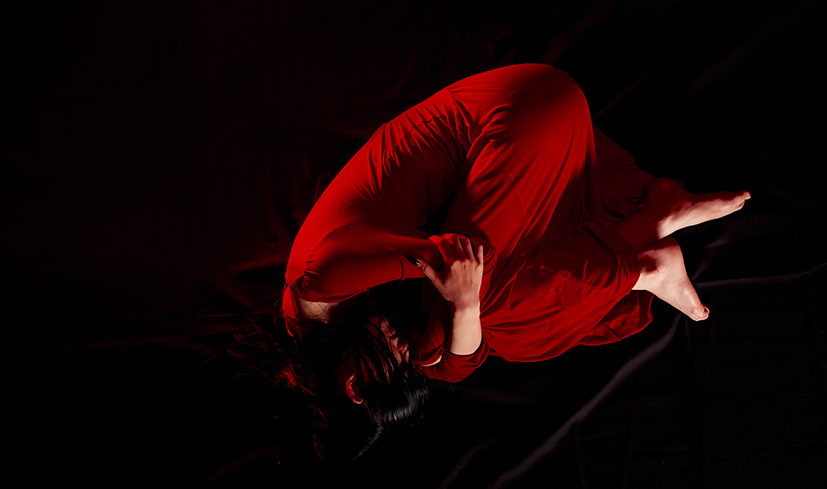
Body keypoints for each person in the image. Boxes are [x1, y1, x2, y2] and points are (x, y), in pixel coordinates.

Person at [261, 64, 748, 458]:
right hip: (526, 133)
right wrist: (456, 320)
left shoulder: (323, 276)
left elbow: (463, 261)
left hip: (521, 112)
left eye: (396, 367)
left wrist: (455, 320)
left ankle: (651, 237)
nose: (402, 353)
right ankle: (646, 242)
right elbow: (456, 363)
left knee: (493, 309)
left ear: (352, 385)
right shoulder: (324, 333)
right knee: (480, 324)